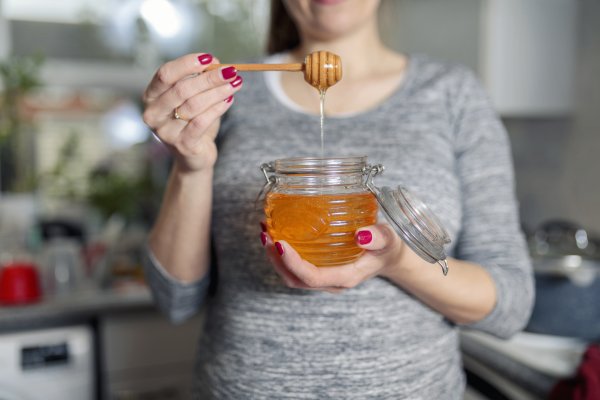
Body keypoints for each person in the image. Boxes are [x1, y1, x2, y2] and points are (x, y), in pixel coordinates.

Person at [141, 0, 534, 398]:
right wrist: (191, 168)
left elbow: (511, 303)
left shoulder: (453, 94)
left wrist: (398, 263)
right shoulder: (223, 95)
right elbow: (174, 301)